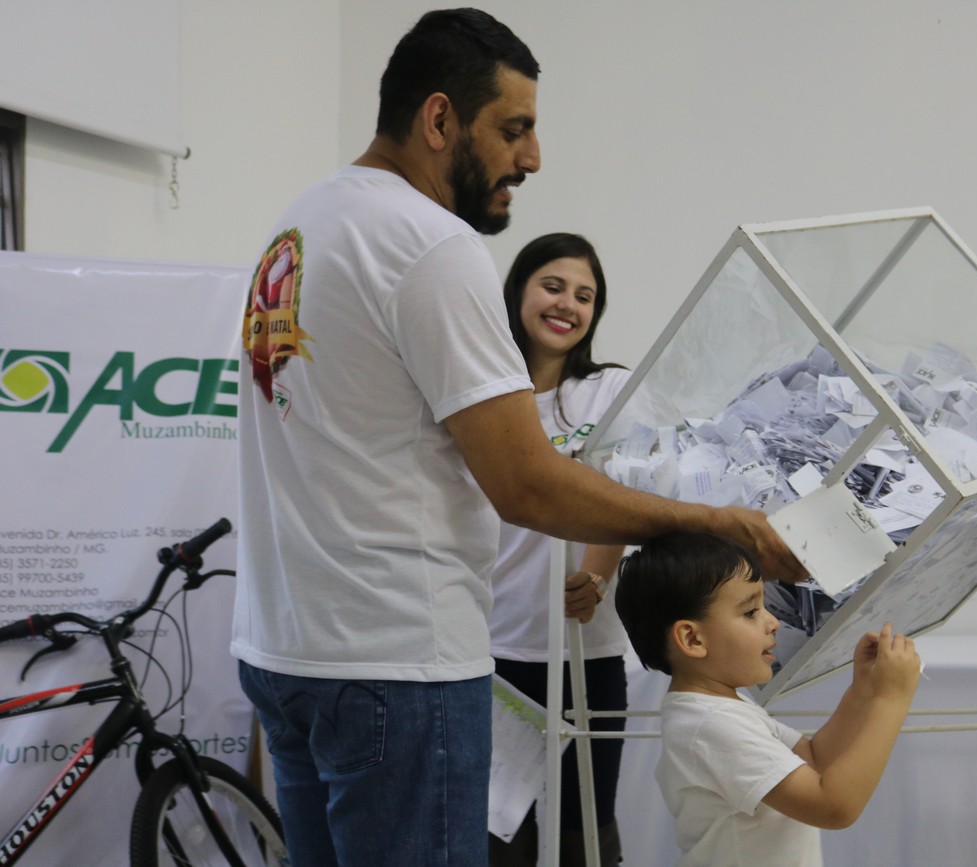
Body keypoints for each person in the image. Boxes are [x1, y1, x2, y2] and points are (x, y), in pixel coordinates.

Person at [232, 9, 804, 867]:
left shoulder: (301, 223)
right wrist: (715, 522)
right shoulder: (430, 243)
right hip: (396, 665)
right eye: (513, 129)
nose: (531, 158)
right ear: (438, 118)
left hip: (287, 650)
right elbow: (526, 482)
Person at [614, 533, 920, 867]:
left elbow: (814, 760)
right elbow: (834, 808)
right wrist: (891, 699)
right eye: (750, 612)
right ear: (692, 639)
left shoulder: (721, 709)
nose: (773, 622)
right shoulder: (711, 725)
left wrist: (863, 690)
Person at [487, 232, 631, 866]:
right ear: (519, 289)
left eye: (585, 296)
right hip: (490, 651)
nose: (567, 304)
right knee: (498, 837)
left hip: (584, 654)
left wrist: (595, 579)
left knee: (586, 834)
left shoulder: (610, 390)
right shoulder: (483, 395)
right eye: (553, 286)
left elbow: (622, 495)